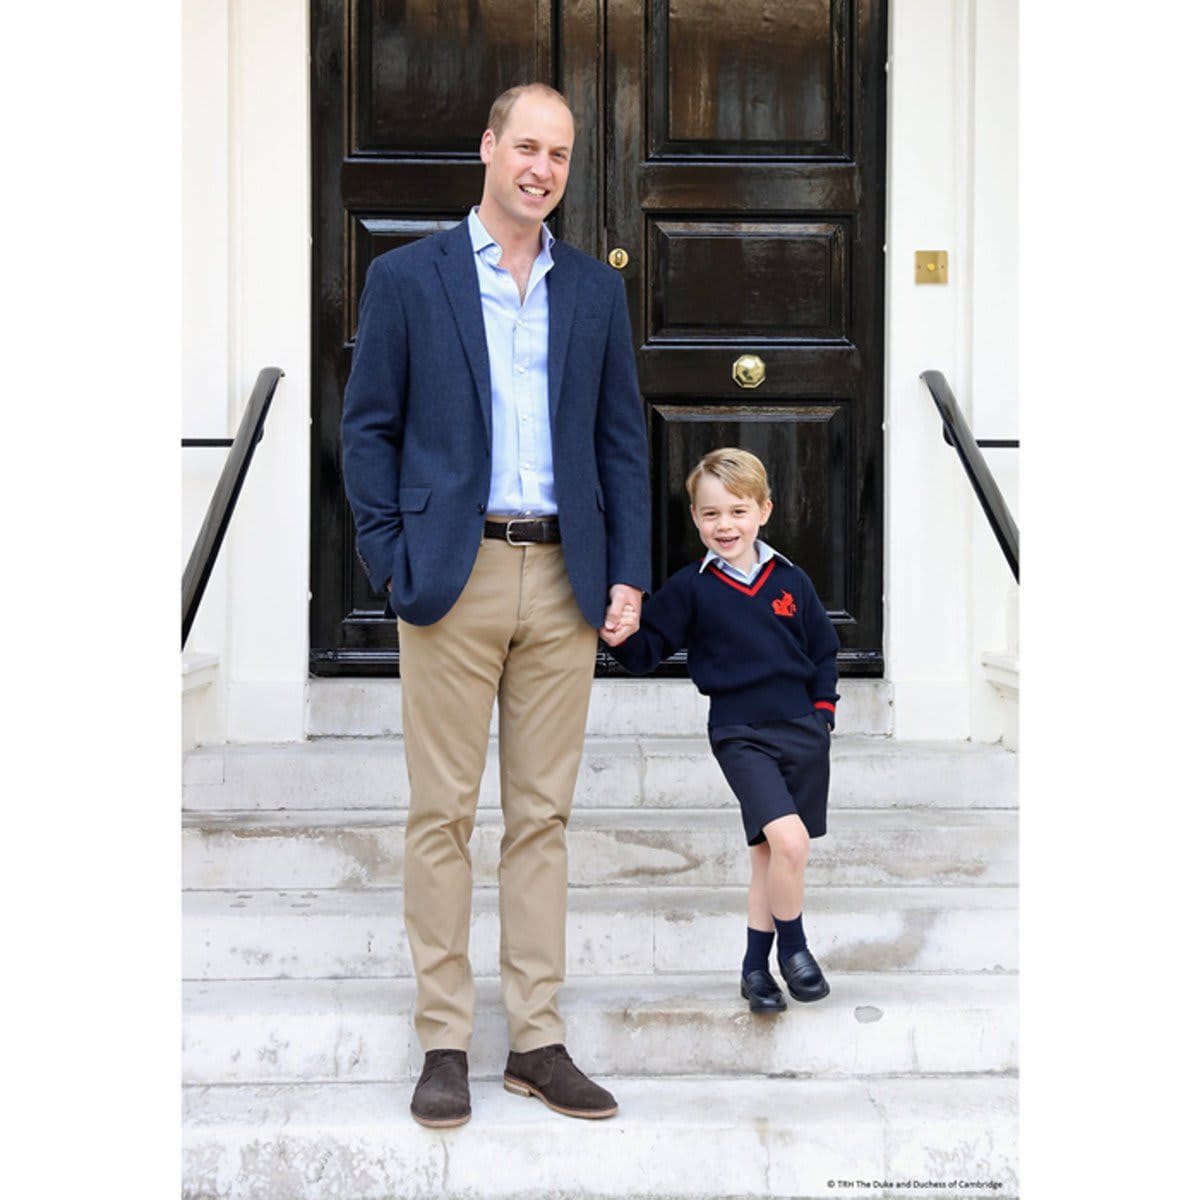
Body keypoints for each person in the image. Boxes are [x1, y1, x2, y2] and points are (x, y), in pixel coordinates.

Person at [341, 83, 650, 1128]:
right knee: (441, 814)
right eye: (527, 145)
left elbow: (621, 441)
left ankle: (536, 1039)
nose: (542, 168)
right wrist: (390, 559)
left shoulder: (595, 293)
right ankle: (441, 1039)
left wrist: (629, 571)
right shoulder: (407, 278)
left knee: (542, 819)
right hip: (452, 574)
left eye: (559, 154)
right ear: (488, 147)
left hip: (565, 579)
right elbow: (368, 428)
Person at [602, 448, 839, 1014]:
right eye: (711, 514)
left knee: (768, 857)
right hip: (740, 733)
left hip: (803, 732)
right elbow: (647, 652)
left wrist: (824, 716)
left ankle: (755, 969)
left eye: (737, 511)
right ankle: (796, 951)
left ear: (764, 511)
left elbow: (824, 652)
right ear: (694, 518)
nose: (724, 525)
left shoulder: (791, 580)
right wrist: (617, 635)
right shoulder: (690, 588)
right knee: (791, 843)